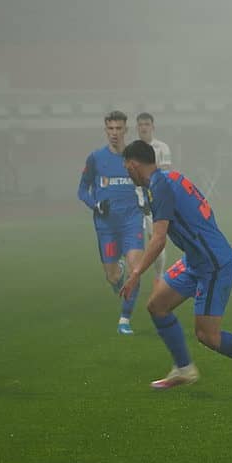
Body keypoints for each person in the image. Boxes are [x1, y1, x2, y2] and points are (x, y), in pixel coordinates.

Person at [118, 140, 232, 394]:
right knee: (157, 306)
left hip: (212, 265)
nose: (127, 173)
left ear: (133, 164)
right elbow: (201, 213)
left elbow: (159, 238)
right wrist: (220, 245)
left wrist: (136, 273)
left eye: (126, 167)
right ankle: (184, 368)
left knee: (208, 336)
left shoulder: (160, 187)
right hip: (197, 259)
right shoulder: (170, 178)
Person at [78, 110, 145, 334]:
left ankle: (124, 320)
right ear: (105, 130)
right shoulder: (96, 158)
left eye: (118, 128)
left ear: (126, 130)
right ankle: (119, 276)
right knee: (113, 276)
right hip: (106, 225)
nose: (114, 133)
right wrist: (95, 205)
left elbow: (149, 183)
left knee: (136, 270)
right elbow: (82, 190)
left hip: (132, 221)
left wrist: (148, 202)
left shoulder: (136, 156)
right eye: (110, 128)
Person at [134, 112, 173, 278]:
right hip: (135, 202)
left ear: (152, 127)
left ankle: (159, 276)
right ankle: (133, 275)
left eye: (146, 124)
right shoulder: (132, 149)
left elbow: (166, 175)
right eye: (141, 125)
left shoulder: (162, 148)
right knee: (133, 243)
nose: (144, 127)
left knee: (156, 240)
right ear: (137, 128)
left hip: (153, 201)